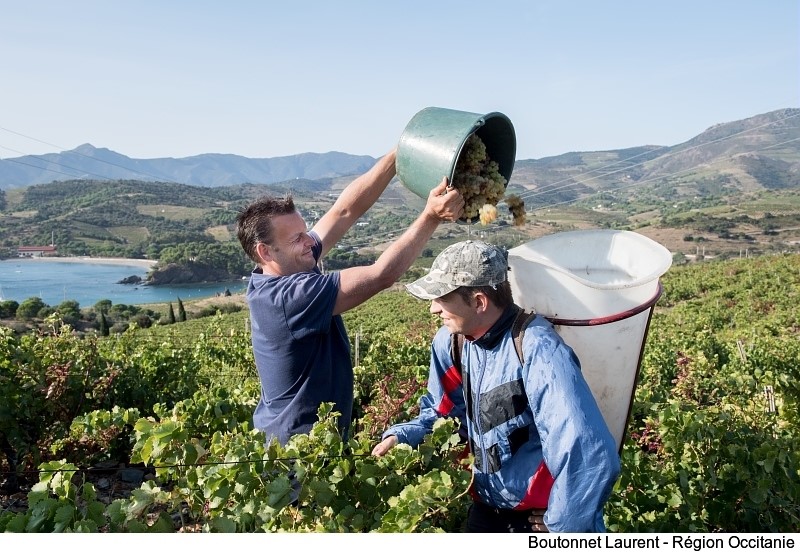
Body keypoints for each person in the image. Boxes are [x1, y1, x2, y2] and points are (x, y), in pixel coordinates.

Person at [372, 240, 620, 533]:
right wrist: (402, 437)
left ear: (479, 302)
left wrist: (561, 527)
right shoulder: (451, 343)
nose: (433, 309)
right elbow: (444, 415)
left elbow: (586, 451)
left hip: (535, 516)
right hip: (487, 508)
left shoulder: (536, 348)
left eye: (441, 298)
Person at [236, 148, 464, 446]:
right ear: (265, 252)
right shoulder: (288, 298)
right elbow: (381, 274)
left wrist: (399, 156)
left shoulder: (285, 265)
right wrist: (431, 216)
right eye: (297, 239)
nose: (310, 242)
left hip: (317, 438)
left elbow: (344, 212)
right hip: (297, 452)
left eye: (305, 232)